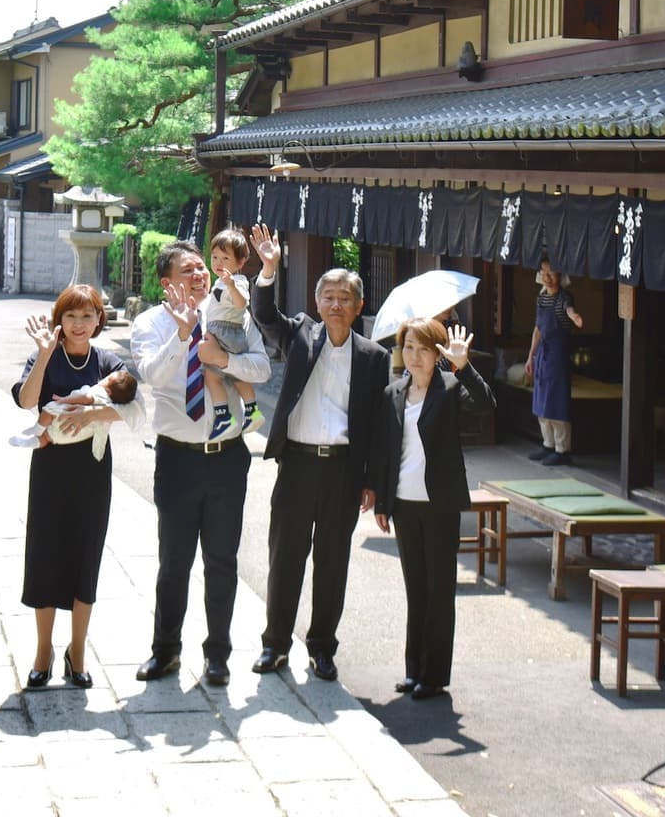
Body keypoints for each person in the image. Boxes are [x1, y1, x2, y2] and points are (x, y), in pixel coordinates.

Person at [248, 223, 390, 683]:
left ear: (358, 306)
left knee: (332, 562)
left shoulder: (373, 357)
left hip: (344, 471)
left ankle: (323, 647)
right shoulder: (301, 337)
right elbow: (265, 317)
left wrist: (372, 479)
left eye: (344, 298)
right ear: (317, 303)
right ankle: (274, 645)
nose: (335, 304)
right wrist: (268, 269)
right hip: (299, 465)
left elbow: (377, 424)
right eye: (328, 296)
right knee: (285, 558)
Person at [130, 240, 271, 686]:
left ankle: (218, 656)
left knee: (222, 560)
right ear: (166, 281)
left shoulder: (230, 312)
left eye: (201, 268)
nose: (200, 275)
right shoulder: (149, 323)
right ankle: (165, 650)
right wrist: (184, 335)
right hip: (177, 459)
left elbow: (262, 368)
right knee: (173, 561)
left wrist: (224, 359)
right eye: (188, 269)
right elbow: (153, 375)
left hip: (227, 458)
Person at [14, 285, 143, 688]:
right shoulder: (45, 355)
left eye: (88, 316)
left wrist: (90, 416)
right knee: (44, 555)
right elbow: (25, 400)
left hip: (91, 471)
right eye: (72, 316)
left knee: (85, 557)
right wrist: (43, 355)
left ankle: (78, 650)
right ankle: (42, 650)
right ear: (60, 320)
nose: (80, 324)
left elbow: (134, 409)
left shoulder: (106, 360)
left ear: (99, 320)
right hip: (50, 469)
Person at [372, 318, 494, 700]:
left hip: (440, 504)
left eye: (423, 349)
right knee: (416, 590)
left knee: (439, 591)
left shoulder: (450, 389)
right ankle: (413, 670)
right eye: (408, 347)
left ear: (438, 353)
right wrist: (382, 499)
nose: (415, 356)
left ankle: (434, 675)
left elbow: (488, 405)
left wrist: (465, 365)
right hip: (405, 503)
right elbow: (387, 452)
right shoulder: (393, 392)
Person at [203, 228, 264, 440]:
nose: (218, 262)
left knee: (215, 376)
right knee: (231, 376)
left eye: (225, 258)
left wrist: (231, 285)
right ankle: (249, 410)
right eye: (215, 257)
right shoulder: (220, 282)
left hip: (226, 331)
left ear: (239, 263)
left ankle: (225, 416)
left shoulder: (237, 281)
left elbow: (242, 304)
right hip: (222, 330)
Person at [525, 258, 584, 466]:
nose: (547, 278)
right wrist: (530, 355)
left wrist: (575, 317)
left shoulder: (564, 297)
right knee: (541, 400)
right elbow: (538, 328)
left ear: (560, 275)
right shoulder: (541, 298)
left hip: (558, 354)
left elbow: (569, 309)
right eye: (544, 273)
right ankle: (547, 444)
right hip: (543, 354)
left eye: (551, 273)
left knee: (557, 401)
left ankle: (562, 449)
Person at [11, 366, 139, 460]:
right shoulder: (113, 403)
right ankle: (31, 441)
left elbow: (84, 398)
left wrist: (63, 400)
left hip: (64, 421)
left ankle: (37, 429)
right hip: (69, 436)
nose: (104, 379)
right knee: (47, 438)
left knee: (49, 410)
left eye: (107, 379)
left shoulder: (101, 392)